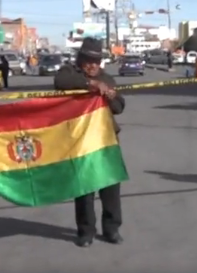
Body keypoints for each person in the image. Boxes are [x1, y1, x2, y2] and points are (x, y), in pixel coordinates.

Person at [54, 37, 125, 247]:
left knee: (110, 187)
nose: (92, 65)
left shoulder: (107, 79)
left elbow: (120, 107)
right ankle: (86, 232)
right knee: (84, 189)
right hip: (80, 141)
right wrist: (90, 84)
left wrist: (111, 96)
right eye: (88, 60)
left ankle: (112, 230)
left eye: (96, 61)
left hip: (106, 141)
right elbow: (60, 83)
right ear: (80, 59)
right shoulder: (70, 74)